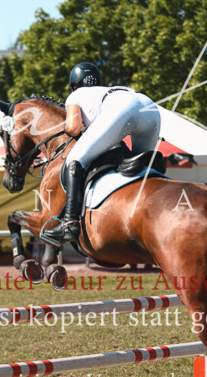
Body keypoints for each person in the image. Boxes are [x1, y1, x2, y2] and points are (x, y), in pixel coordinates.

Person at [41, 62, 161, 244]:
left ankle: (69, 222)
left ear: (74, 84)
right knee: (142, 169)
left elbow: (73, 128)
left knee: (75, 158)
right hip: (148, 106)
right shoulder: (104, 90)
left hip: (123, 108)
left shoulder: (76, 95)